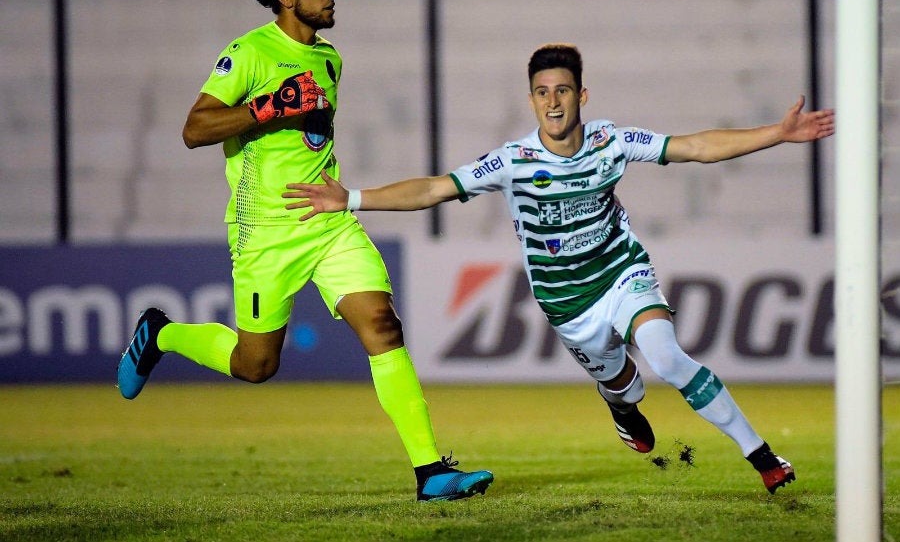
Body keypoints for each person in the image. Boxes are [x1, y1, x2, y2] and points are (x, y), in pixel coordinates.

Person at [284, 43, 836, 494]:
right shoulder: (513, 161)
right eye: (543, 93)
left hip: (622, 272)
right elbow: (434, 188)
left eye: (563, 91)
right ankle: (621, 406)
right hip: (568, 305)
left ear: (582, 95)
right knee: (627, 387)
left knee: (667, 355)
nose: (553, 102)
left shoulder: (611, 141)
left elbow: (693, 146)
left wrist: (777, 133)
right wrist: (352, 198)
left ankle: (763, 457)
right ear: (532, 101)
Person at [116, 0, 493, 503]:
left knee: (383, 326)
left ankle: (431, 471)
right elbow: (195, 130)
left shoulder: (328, 58)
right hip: (264, 233)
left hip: (329, 221)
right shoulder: (249, 53)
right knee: (255, 365)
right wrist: (266, 107)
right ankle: (161, 333)